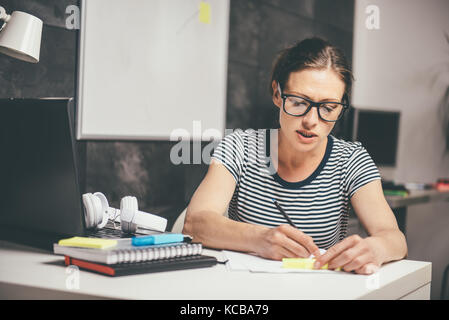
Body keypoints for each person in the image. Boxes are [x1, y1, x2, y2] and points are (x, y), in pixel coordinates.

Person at [183, 37, 407, 275]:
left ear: (341, 107)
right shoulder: (239, 147)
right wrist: (261, 239)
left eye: (328, 108)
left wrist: (376, 248)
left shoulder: (351, 160)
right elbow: (195, 224)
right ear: (277, 94)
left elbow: (395, 239)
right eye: (299, 102)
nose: (311, 121)